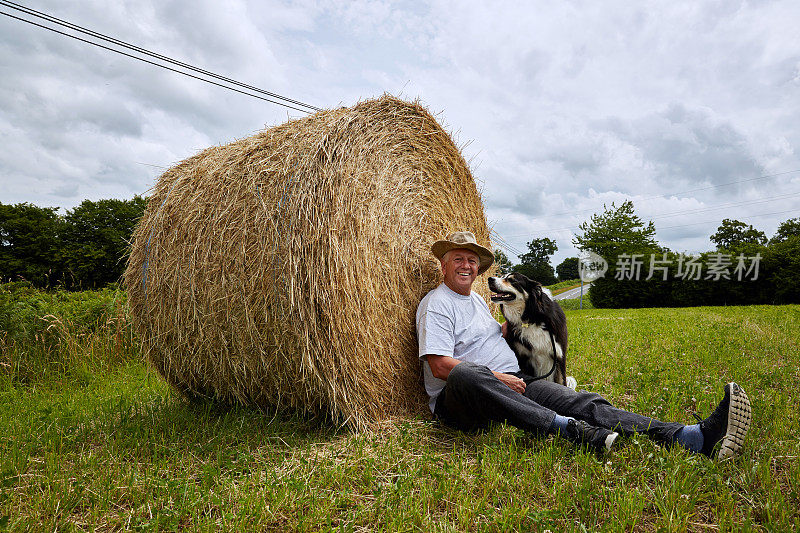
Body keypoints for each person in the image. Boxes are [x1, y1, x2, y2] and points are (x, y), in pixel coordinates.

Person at [416, 231, 752, 458]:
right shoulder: (436, 303)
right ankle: (571, 431)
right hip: (462, 401)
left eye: (472, 260)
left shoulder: (475, 301)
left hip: (515, 382)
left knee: (580, 400)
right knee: (467, 374)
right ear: (444, 264)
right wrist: (497, 376)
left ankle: (689, 437)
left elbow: (495, 335)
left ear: (479, 267)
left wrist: (528, 321)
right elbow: (440, 366)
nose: (466, 265)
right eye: (458, 258)